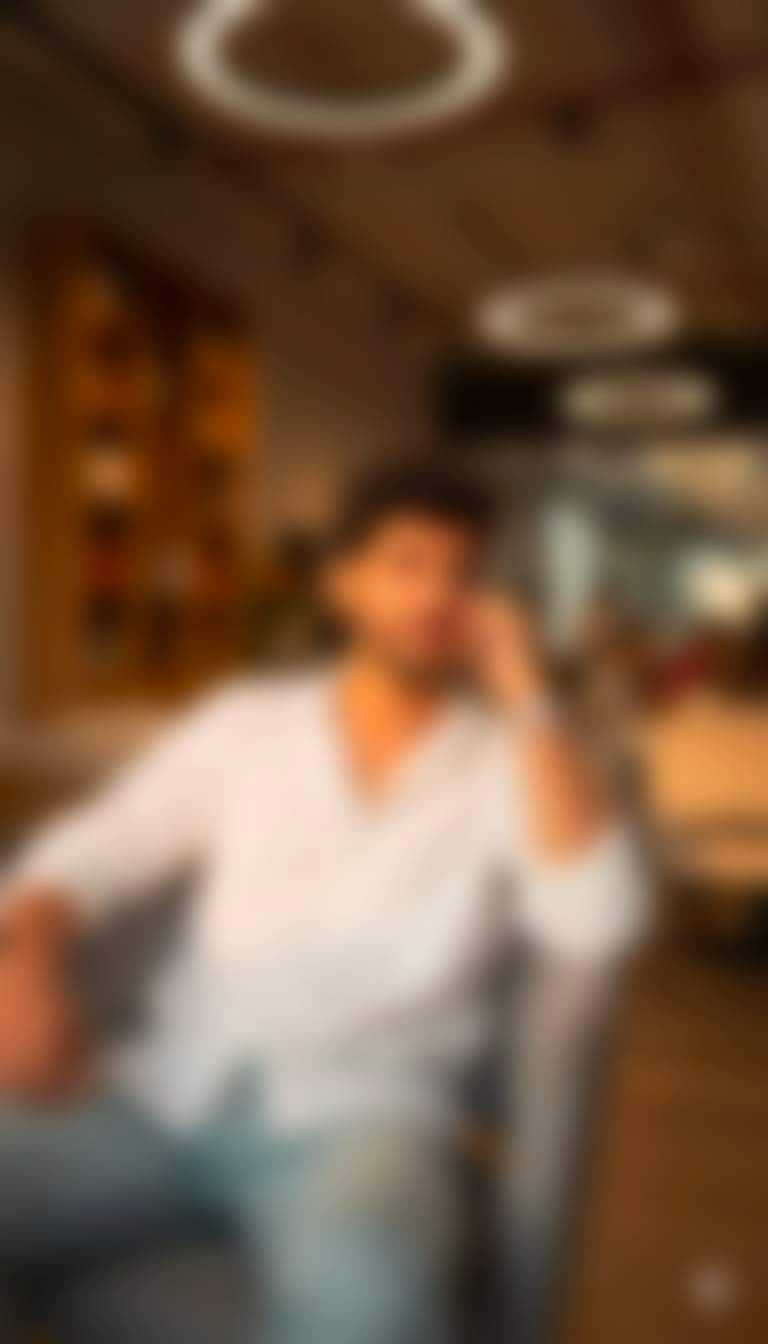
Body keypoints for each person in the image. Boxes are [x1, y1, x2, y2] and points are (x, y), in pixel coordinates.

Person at [0, 461, 645, 1344]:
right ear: (343, 583)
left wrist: (530, 699)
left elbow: (601, 921)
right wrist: (27, 965)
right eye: (406, 564)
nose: (437, 594)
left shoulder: (511, 764)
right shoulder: (248, 724)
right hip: (164, 1091)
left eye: (461, 572)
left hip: (365, 1122)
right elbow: (100, 846)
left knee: (369, 1304)